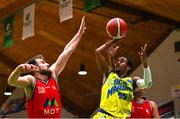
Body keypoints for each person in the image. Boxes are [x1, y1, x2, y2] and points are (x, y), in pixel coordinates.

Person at [7, 17, 86, 118]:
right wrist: (19, 69)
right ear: (35, 68)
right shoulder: (32, 81)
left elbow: (66, 51)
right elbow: (12, 82)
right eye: (43, 62)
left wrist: (79, 34)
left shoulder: (53, 74)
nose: (48, 64)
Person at [93, 39, 152, 118]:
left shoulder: (132, 81)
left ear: (128, 67)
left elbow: (147, 83)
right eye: (117, 61)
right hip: (104, 116)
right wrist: (113, 42)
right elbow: (97, 52)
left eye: (122, 61)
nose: (118, 62)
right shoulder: (108, 74)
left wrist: (145, 64)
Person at [129, 45, 160, 118]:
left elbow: (147, 82)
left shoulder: (151, 104)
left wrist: (145, 63)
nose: (141, 87)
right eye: (137, 84)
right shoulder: (126, 102)